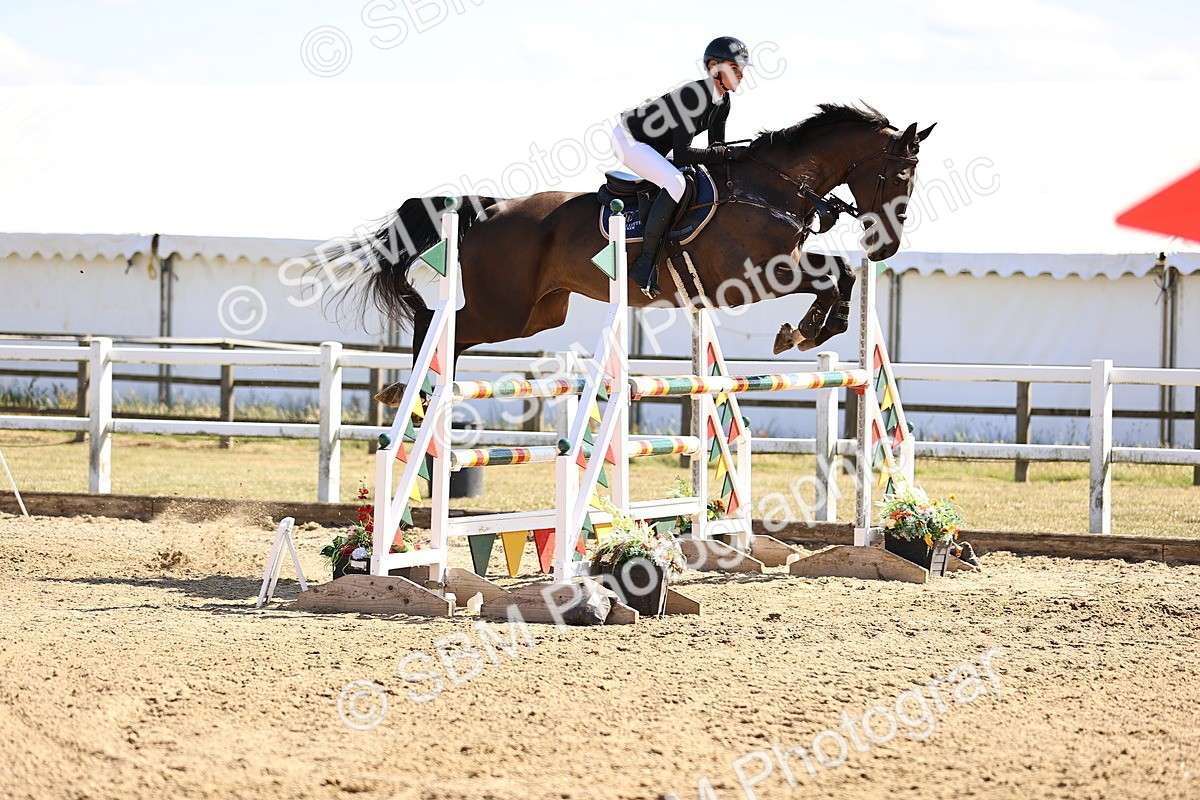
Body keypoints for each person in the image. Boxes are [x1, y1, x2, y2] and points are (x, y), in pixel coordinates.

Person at [612, 36, 753, 297]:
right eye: (735, 69)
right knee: (676, 183)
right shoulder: (693, 97)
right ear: (714, 67)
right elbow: (684, 154)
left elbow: (716, 148)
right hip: (629, 139)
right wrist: (729, 153)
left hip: (654, 146)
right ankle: (644, 262)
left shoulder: (723, 101)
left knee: (693, 178)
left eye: (741, 70)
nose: (741, 76)